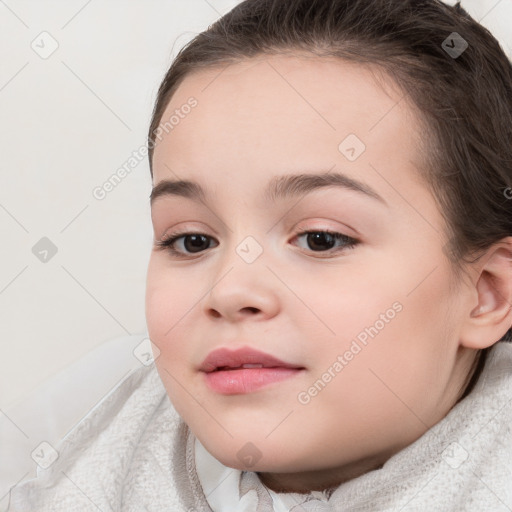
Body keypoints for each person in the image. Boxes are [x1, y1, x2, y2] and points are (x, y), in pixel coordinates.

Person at [8, 0, 512, 510]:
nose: (229, 291)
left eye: (321, 238)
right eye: (192, 240)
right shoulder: (61, 456)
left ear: (486, 293)